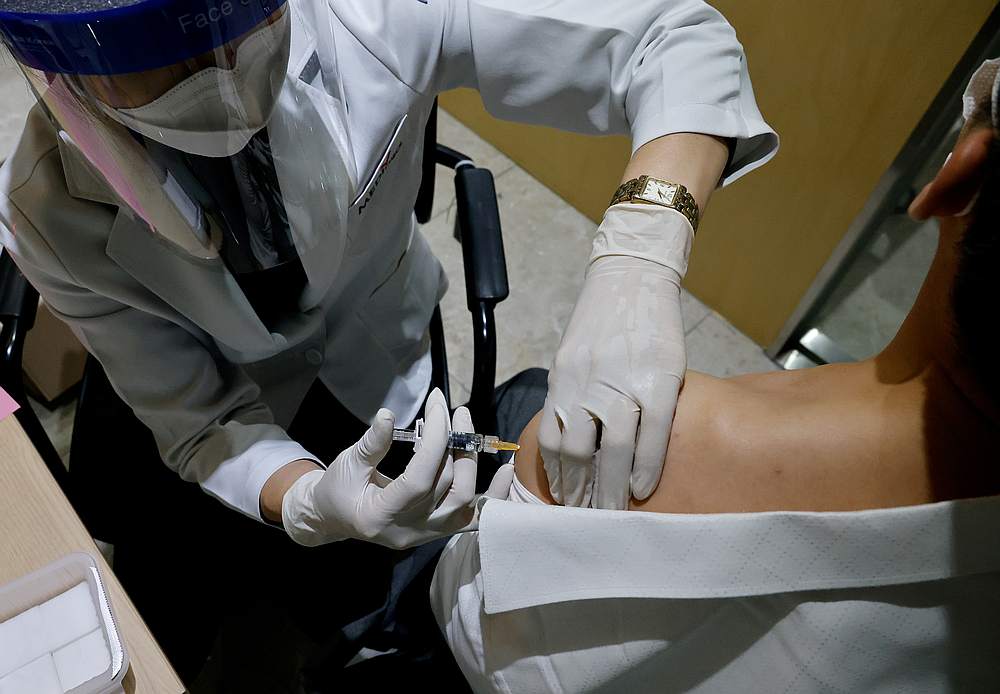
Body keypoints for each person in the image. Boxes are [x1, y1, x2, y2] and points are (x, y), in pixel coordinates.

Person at [0, 0, 774, 681]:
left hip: (382, 352)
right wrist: (303, 501)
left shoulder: (375, 10)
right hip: (224, 404)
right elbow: (201, 421)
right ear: (64, 74)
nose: (214, 77)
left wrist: (641, 250)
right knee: (200, 598)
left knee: (374, 580)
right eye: (153, 70)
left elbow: (675, 38)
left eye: (229, 34)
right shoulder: (45, 207)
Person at [430, 59, 1000, 693]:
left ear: (959, 173)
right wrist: (640, 248)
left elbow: (466, 615)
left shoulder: (650, 437)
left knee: (526, 404)